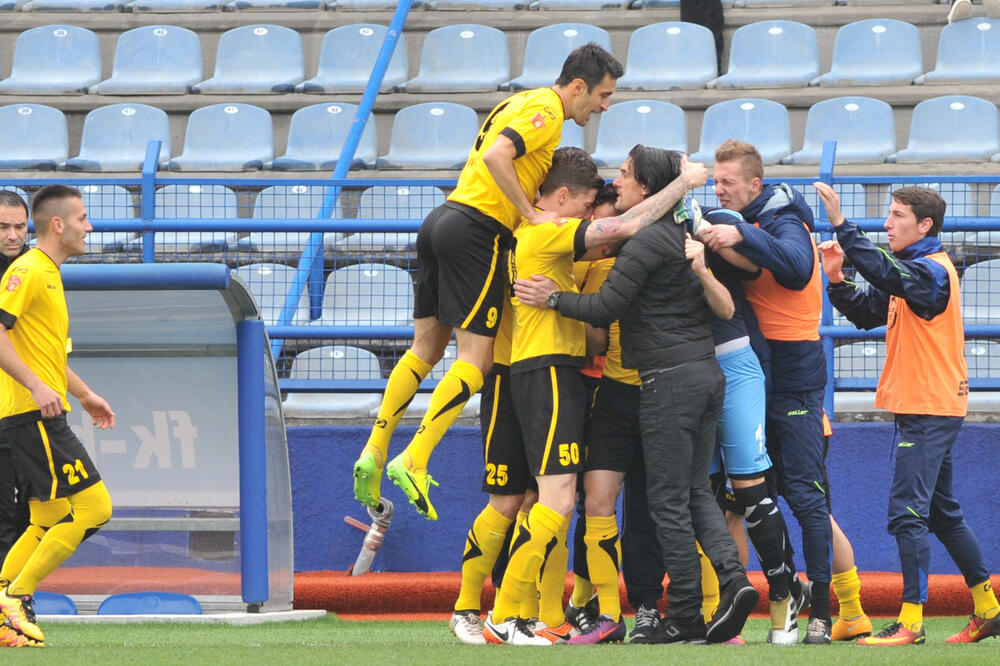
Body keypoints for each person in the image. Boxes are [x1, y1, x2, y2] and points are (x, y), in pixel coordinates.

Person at [352, 43, 624, 522]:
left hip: (443, 217)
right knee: (475, 360)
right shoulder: (548, 110)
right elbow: (500, 155)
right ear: (578, 86)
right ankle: (415, 457)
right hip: (478, 230)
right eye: (602, 95)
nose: (604, 106)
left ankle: (374, 449)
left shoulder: (515, 101)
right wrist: (529, 213)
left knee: (423, 350)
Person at [515, 145, 759, 645]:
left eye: (625, 176)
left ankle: (687, 614)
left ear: (647, 188)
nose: (616, 183)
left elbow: (605, 307)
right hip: (705, 377)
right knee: (692, 492)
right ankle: (732, 583)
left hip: (668, 383)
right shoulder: (682, 236)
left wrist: (554, 297)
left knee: (668, 500)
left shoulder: (644, 243)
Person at [484, 147, 707, 647]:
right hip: (548, 372)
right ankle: (505, 614)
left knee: (551, 498)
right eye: (586, 204)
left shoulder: (536, 235)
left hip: (536, 368)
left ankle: (517, 614)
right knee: (558, 498)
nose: (590, 214)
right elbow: (625, 227)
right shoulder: (548, 229)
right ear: (564, 197)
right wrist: (685, 182)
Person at [698, 139, 869, 643]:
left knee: (806, 497)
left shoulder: (784, 219)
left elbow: (795, 270)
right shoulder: (737, 220)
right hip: (753, 367)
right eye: (715, 179)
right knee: (744, 499)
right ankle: (739, 608)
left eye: (727, 182)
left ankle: (839, 608)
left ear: (755, 185)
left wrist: (740, 231)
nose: (718, 188)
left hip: (793, 369)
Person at [815, 182, 1000, 645]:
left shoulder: (931, 273)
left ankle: (911, 622)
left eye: (897, 215)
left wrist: (843, 225)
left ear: (925, 225)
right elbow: (865, 311)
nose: (887, 223)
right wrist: (837, 280)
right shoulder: (913, 274)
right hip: (926, 405)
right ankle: (989, 609)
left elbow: (883, 272)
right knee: (941, 513)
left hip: (928, 407)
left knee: (906, 515)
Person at [0, 185, 115, 648]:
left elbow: (47, 355)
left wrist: (85, 394)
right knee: (94, 508)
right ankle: (17, 597)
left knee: (46, 517)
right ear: (59, 225)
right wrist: (35, 386)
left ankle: (6, 603)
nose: (90, 227)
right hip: (33, 415)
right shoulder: (27, 272)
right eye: (84, 218)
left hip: (35, 411)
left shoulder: (46, 272)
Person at [0, 191, 31, 569]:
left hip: (25, 412)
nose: (12, 235)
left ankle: (14, 599)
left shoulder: (37, 269)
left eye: (19, 227)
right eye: (3, 227)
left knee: (25, 514)